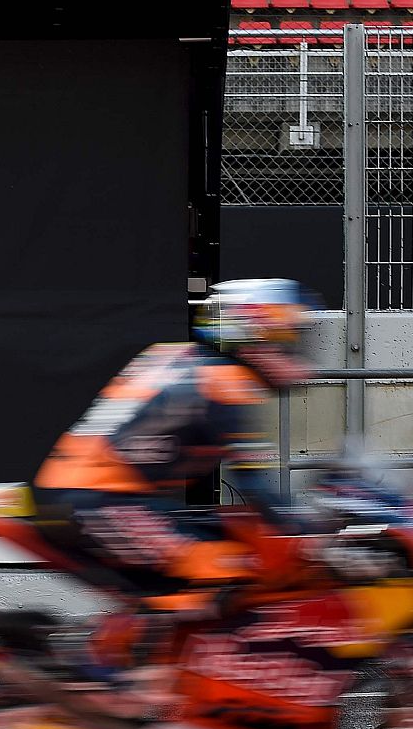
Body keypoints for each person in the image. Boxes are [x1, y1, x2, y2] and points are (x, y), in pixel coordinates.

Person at [30, 277, 321, 666]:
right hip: (98, 501)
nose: (294, 353)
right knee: (218, 569)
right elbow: (254, 480)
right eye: (287, 340)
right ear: (252, 332)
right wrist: (303, 526)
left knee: (214, 550)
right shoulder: (224, 382)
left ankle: (135, 665)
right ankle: (93, 669)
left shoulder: (175, 357)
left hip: (89, 494)